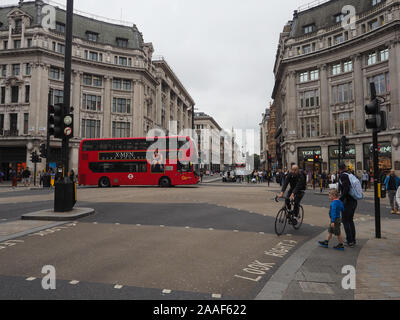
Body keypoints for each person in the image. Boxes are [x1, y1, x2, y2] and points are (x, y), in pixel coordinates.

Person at [338, 163, 357, 248]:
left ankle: (350, 241)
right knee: (350, 220)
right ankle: (353, 239)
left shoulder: (343, 176)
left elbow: (346, 188)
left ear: (339, 169)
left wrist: (340, 199)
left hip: (347, 201)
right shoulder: (350, 174)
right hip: (353, 200)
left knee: (345, 220)